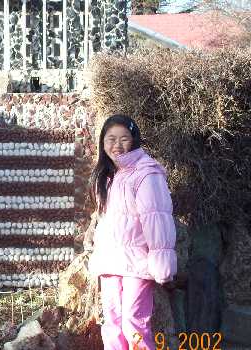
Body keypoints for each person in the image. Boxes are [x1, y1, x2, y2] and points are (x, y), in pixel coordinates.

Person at [87, 114, 177, 350]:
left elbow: (157, 219)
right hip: (110, 261)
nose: (117, 145)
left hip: (136, 263)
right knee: (112, 325)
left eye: (124, 138)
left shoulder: (147, 173)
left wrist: (163, 264)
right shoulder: (106, 176)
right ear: (102, 142)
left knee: (133, 323)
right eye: (111, 139)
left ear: (134, 140)